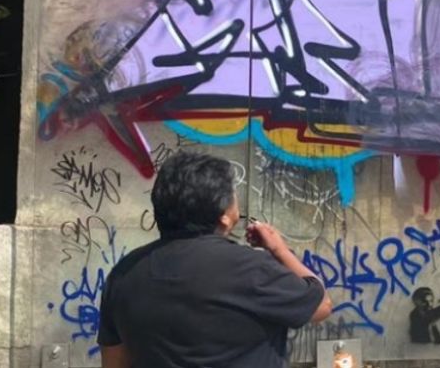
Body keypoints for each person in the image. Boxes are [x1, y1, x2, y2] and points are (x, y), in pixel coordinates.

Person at [98, 152, 334, 368]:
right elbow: (321, 305)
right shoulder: (252, 269)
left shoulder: (124, 274)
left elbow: (114, 363)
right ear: (223, 216)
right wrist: (279, 250)